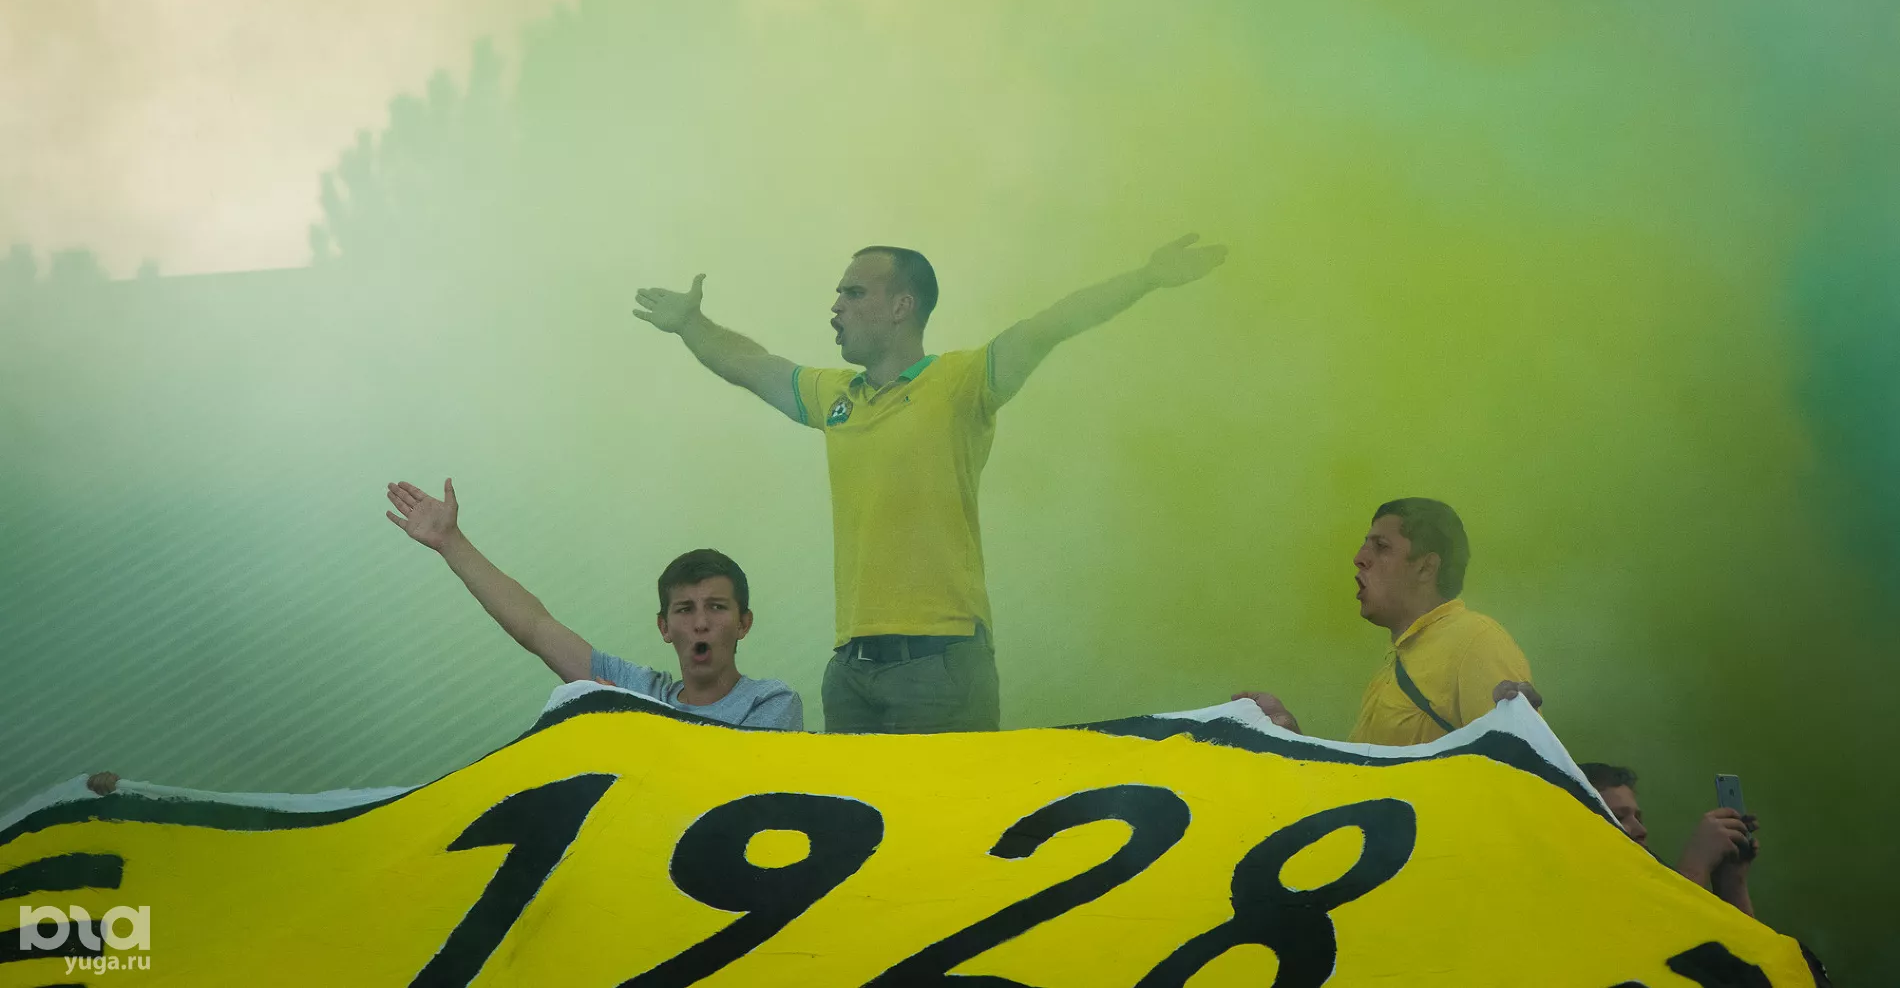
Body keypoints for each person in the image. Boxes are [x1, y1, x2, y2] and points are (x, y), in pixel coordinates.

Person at [633, 235, 1227, 733]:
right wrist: (691, 324)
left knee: (947, 824)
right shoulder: (834, 395)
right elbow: (751, 364)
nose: (836, 306)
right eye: (839, 293)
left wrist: (1146, 278)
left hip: (940, 661)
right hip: (851, 670)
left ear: (902, 306)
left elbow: (1050, 325)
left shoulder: (962, 381)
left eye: (854, 293)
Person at [384, 478, 801, 730]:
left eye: (717, 607)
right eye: (685, 609)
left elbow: (738, 784)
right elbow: (536, 627)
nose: (701, 623)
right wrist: (451, 543)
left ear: (744, 623)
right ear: (663, 627)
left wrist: (634, 721)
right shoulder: (639, 691)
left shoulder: (771, 701)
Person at [1234, 498, 1538, 745]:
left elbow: (1516, 775)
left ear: (1426, 567)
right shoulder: (1391, 669)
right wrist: (1288, 735)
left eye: (1381, 547)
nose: (1359, 558)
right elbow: (1367, 783)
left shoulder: (1475, 640)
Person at [1580, 762, 1760, 919]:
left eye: (1638, 819)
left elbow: (1745, 947)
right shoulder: (1585, 895)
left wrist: (1731, 882)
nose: (1642, 830)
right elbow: (1660, 935)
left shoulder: (1645, 887)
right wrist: (1695, 866)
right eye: (1619, 817)